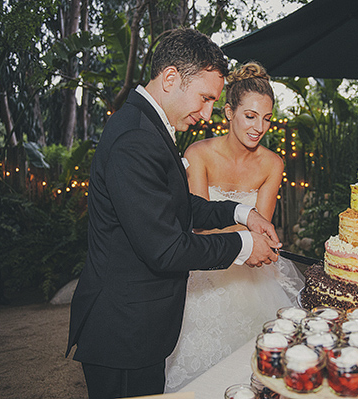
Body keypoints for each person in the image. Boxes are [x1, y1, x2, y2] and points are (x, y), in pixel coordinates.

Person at [66, 28, 282, 398]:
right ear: (170, 78)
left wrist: (243, 214)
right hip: (123, 331)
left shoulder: (148, 126)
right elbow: (166, 248)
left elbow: (181, 207)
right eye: (204, 97)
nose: (208, 111)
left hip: (140, 327)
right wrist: (244, 246)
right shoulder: (135, 138)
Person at [165, 61, 305, 391]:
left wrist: (255, 239)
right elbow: (199, 227)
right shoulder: (198, 154)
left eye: (267, 118)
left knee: (262, 376)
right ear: (229, 112)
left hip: (255, 279)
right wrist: (247, 239)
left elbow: (262, 228)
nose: (259, 127)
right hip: (205, 272)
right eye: (250, 116)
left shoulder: (273, 163)